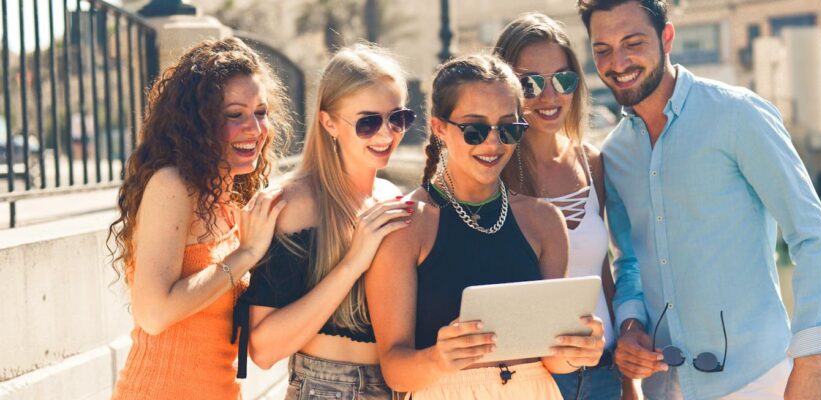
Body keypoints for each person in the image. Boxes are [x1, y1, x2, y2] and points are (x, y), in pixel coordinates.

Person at [577, 1, 821, 399]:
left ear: (667, 37)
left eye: (633, 43)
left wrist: (810, 361)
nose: (618, 62)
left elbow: (812, 237)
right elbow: (629, 259)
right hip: (665, 388)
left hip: (760, 381)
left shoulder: (738, 115)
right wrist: (631, 325)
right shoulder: (615, 154)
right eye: (602, 49)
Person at [364, 54, 606, 399]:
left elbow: (553, 360)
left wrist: (579, 350)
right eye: (475, 130)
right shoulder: (405, 224)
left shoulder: (544, 222)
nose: (493, 143)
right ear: (439, 128)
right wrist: (438, 359)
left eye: (508, 128)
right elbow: (395, 370)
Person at [107, 37, 292, 399]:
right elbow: (154, 314)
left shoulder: (230, 200)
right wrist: (246, 256)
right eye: (234, 115)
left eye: (261, 112)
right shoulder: (172, 185)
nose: (254, 128)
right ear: (198, 122)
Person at [232, 44, 415, 399]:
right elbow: (264, 349)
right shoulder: (294, 204)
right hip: (329, 388)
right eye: (368, 122)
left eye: (398, 118)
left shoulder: (394, 197)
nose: (386, 134)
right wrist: (352, 264)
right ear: (329, 122)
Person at [493, 12, 631, 400]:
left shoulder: (592, 164)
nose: (550, 97)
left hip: (602, 371)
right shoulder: (493, 173)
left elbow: (602, 273)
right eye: (530, 83)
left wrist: (626, 379)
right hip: (526, 379)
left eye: (563, 80)